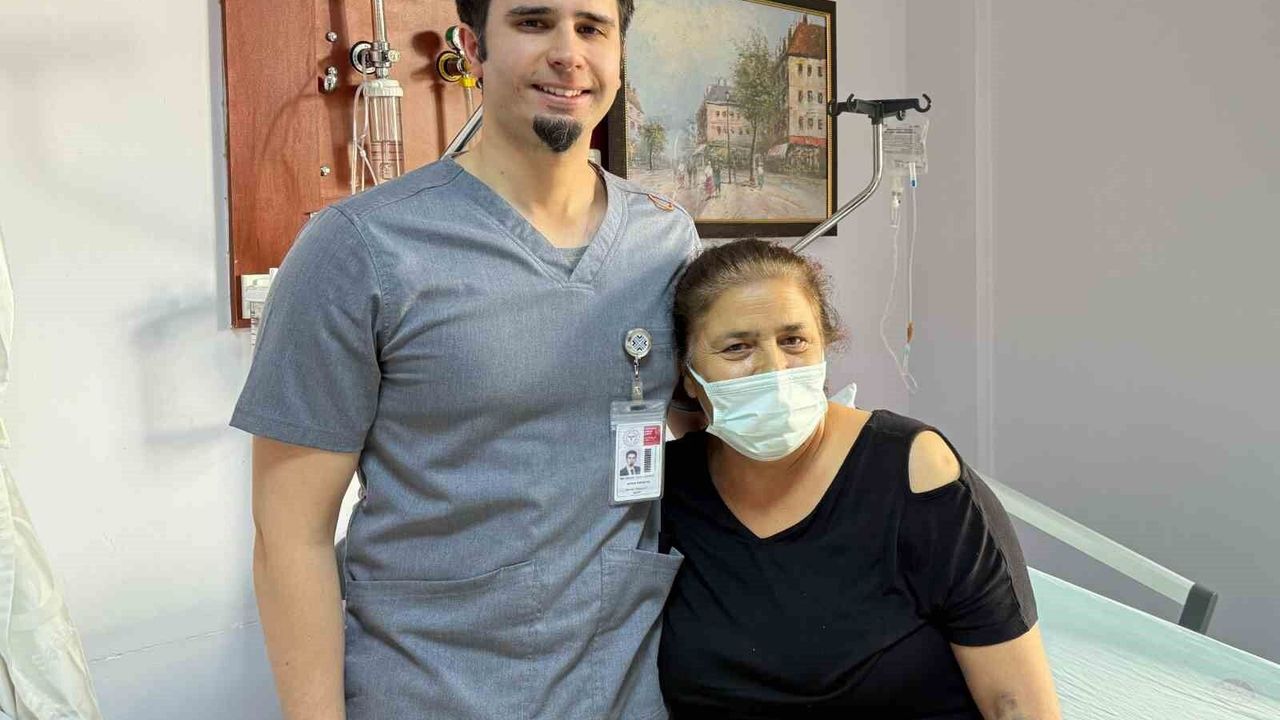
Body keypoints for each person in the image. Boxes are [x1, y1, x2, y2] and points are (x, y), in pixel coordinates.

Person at [232, 1, 700, 718]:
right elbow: (290, 536)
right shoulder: (360, 249)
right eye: (534, 23)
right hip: (428, 689)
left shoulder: (665, 242)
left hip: (624, 690)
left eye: (592, 28)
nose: (568, 52)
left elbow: (715, 438)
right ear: (473, 47)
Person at [658, 240, 1061, 720]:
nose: (774, 370)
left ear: (825, 347)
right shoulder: (668, 491)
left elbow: (1016, 704)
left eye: (794, 340)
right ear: (687, 375)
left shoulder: (914, 474)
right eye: (737, 348)